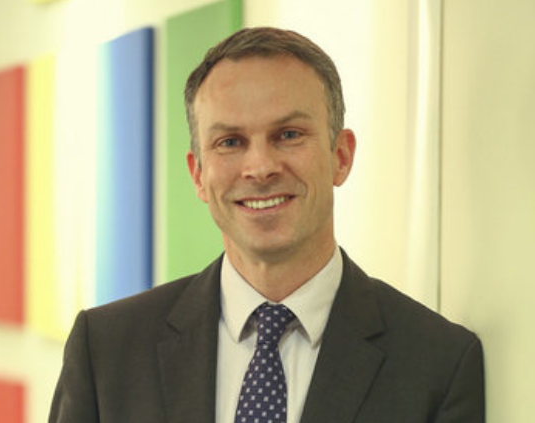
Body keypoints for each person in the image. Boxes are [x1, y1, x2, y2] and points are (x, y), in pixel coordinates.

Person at [49, 27, 485, 423]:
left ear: (341, 156)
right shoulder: (106, 350)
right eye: (230, 142)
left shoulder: (439, 363)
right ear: (198, 174)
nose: (260, 167)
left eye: (288, 135)